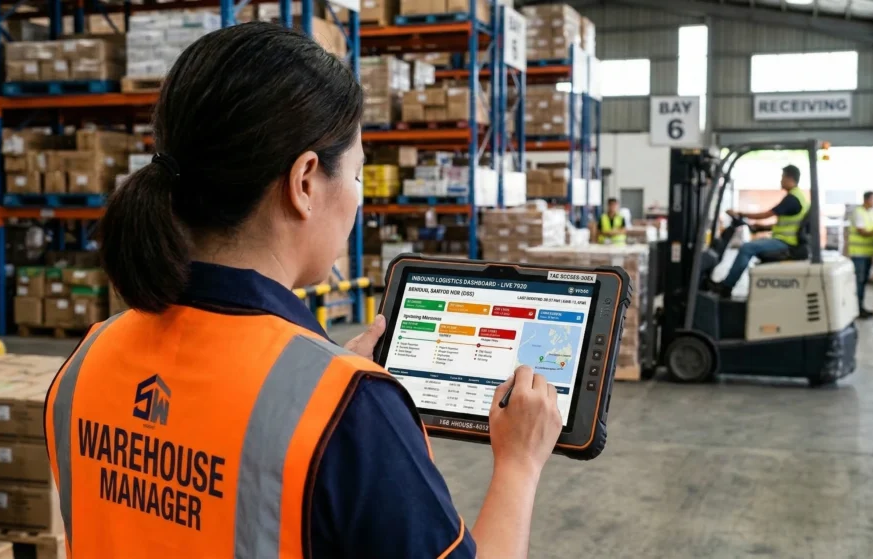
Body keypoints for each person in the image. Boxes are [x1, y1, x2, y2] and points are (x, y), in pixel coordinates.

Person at [43, 24, 562, 559]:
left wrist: (319, 375)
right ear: (306, 181)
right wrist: (519, 463)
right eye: (358, 175)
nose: (359, 201)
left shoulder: (86, 364)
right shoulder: (352, 414)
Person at [714, 164, 809, 296]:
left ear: (789, 177)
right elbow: (787, 224)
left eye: (782, 177)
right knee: (750, 247)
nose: (780, 181)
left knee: (747, 248)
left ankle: (726, 287)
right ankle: (726, 285)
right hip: (786, 241)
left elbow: (767, 214)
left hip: (787, 243)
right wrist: (759, 228)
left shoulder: (793, 198)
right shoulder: (798, 196)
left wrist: (740, 213)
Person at [849, 191, 873, 318]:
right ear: (866, 200)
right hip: (858, 254)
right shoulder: (859, 212)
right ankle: (856, 309)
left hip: (868, 253)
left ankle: (860, 307)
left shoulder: (872, 213)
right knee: (859, 281)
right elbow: (862, 231)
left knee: (863, 282)